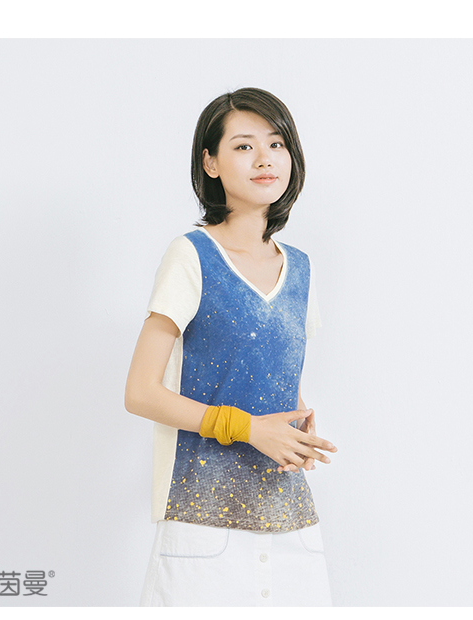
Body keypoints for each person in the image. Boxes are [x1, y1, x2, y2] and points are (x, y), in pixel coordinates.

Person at [125, 87, 336, 607]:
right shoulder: (191, 254)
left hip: (290, 522)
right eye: (244, 146)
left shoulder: (301, 268)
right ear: (210, 163)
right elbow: (140, 392)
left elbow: (279, 376)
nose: (265, 158)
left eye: (276, 144)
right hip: (203, 523)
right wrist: (248, 428)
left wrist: (298, 429)